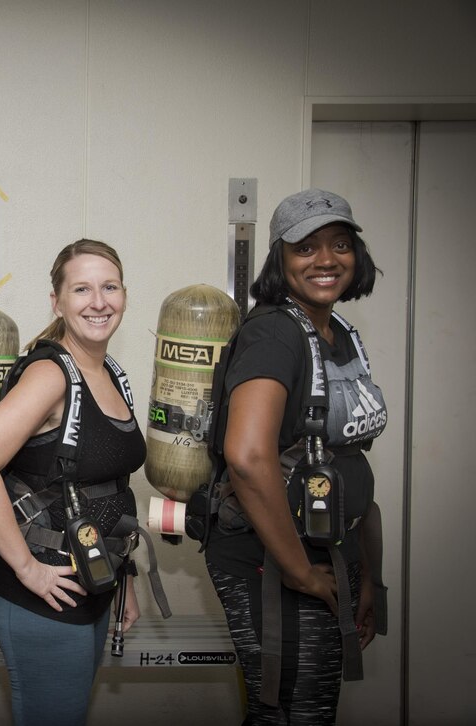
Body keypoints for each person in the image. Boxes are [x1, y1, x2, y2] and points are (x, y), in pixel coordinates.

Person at [204, 188, 387, 724]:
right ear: (279, 260)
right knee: (289, 712)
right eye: (305, 248)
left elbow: (345, 460)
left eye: (340, 244)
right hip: (275, 561)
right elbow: (246, 456)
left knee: (311, 708)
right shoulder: (274, 334)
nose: (326, 259)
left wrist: (366, 575)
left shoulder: (340, 334)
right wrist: (301, 572)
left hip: (331, 549)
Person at [0, 239, 148, 726]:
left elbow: (107, 490)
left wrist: (122, 580)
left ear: (125, 295)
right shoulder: (50, 373)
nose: (98, 302)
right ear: (57, 302)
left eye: (110, 287)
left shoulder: (111, 373)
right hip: (46, 599)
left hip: (95, 585)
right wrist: (27, 569)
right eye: (81, 289)